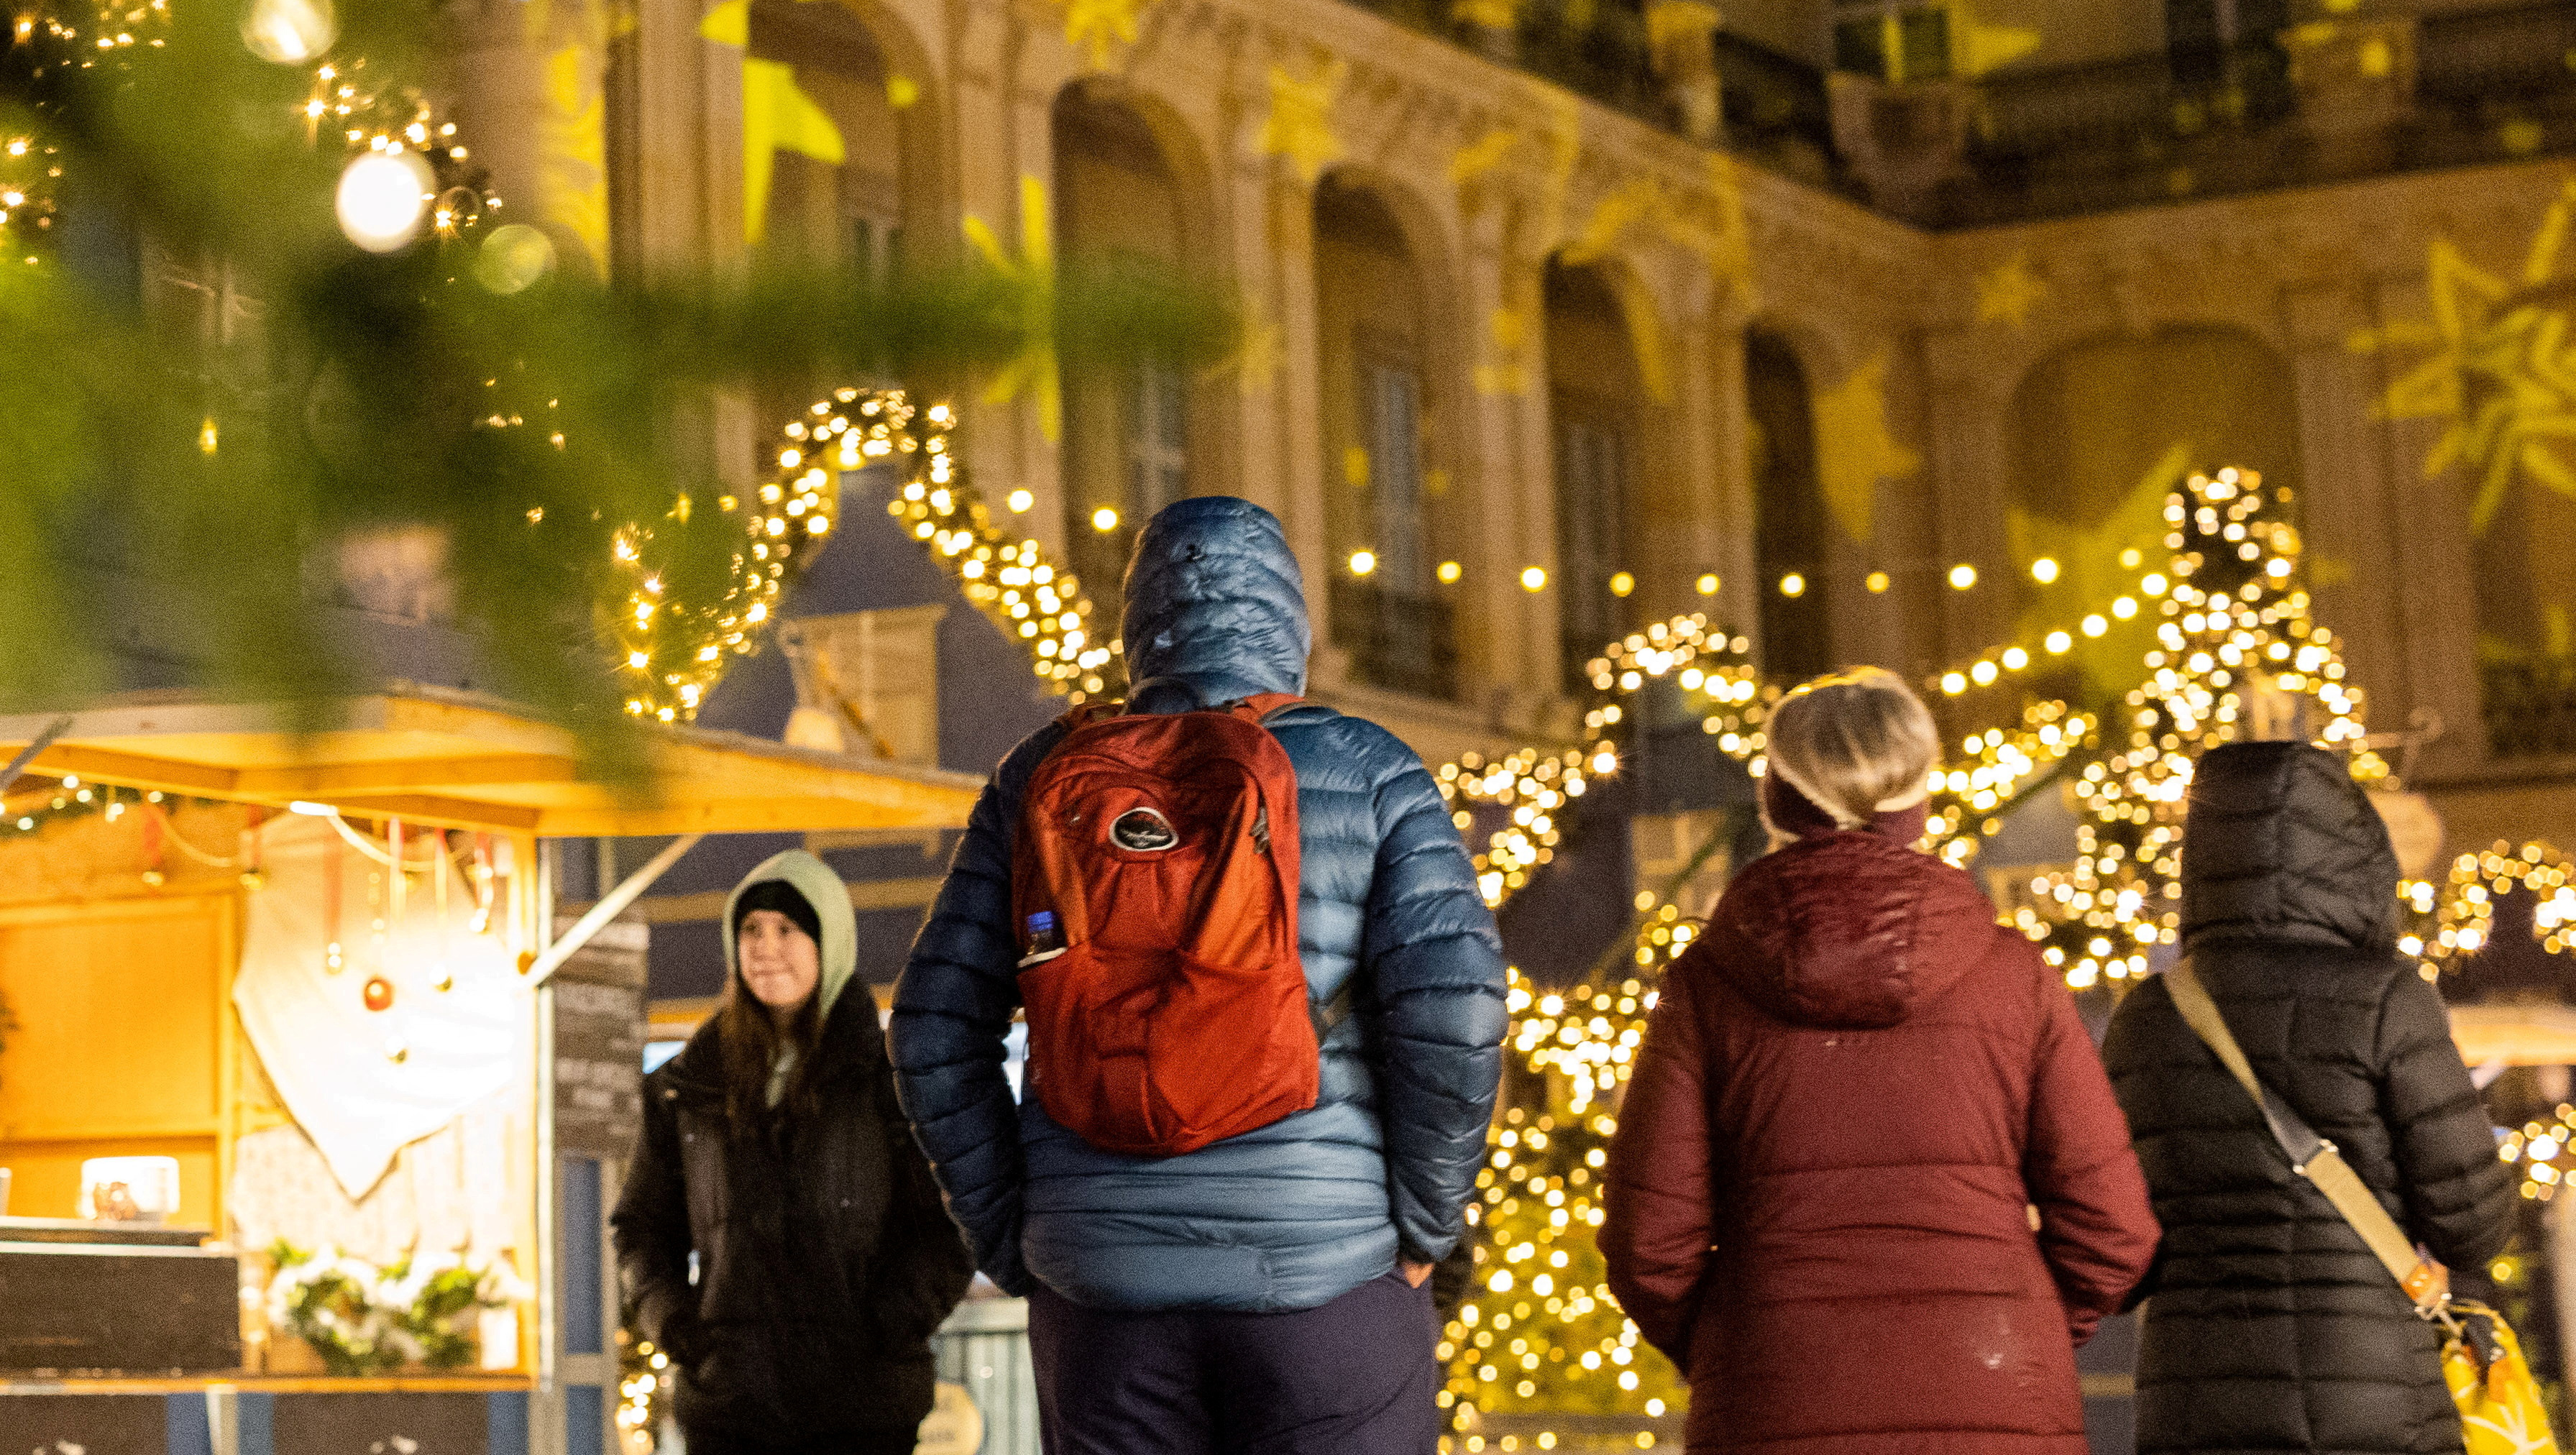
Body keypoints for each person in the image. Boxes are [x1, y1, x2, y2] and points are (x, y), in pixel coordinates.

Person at [891, 495, 1505, 1455]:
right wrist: (1425, 1225)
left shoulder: (1040, 775)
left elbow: (932, 1027)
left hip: (1100, 1298)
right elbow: (1456, 1014)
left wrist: (1014, 1232)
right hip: (1324, 1273)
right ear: (1290, 620)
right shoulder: (1370, 769)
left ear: (1138, 624)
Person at [1600, 668, 2155, 1451]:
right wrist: (2020, 1326)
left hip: (1773, 1401)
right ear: (1918, 801)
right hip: (1997, 1395)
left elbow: (1648, 1244)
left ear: (1774, 796)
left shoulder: (1706, 984)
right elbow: (2115, 1228)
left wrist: (1739, 1344)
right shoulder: (2015, 976)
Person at [2104, 738, 2516, 1455]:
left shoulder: (2147, 1015)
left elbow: (2119, 1246)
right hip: (2374, 1396)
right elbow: (2472, 1228)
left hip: (2195, 1403)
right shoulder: (2386, 998)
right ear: (2353, 856)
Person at [612, 850, 973, 1455]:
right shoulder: (688, 1087)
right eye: (750, 929)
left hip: (861, 1406)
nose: (765, 947)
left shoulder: (889, 1079)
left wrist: (892, 1324)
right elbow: (641, 1225)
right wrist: (676, 1326)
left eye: (786, 928)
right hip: (730, 1406)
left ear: (829, 940)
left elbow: (948, 1220)